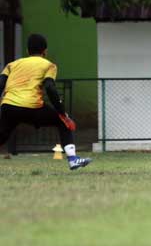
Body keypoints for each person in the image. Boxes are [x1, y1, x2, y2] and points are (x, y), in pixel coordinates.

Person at [0, 34, 90, 169]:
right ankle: (73, 159)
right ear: (45, 51)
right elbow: (50, 88)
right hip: (31, 106)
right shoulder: (49, 65)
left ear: (27, 51)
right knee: (62, 123)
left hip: (9, 106)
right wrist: (62, 113)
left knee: (2, 135)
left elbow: (0, 85)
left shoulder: (12, 65)